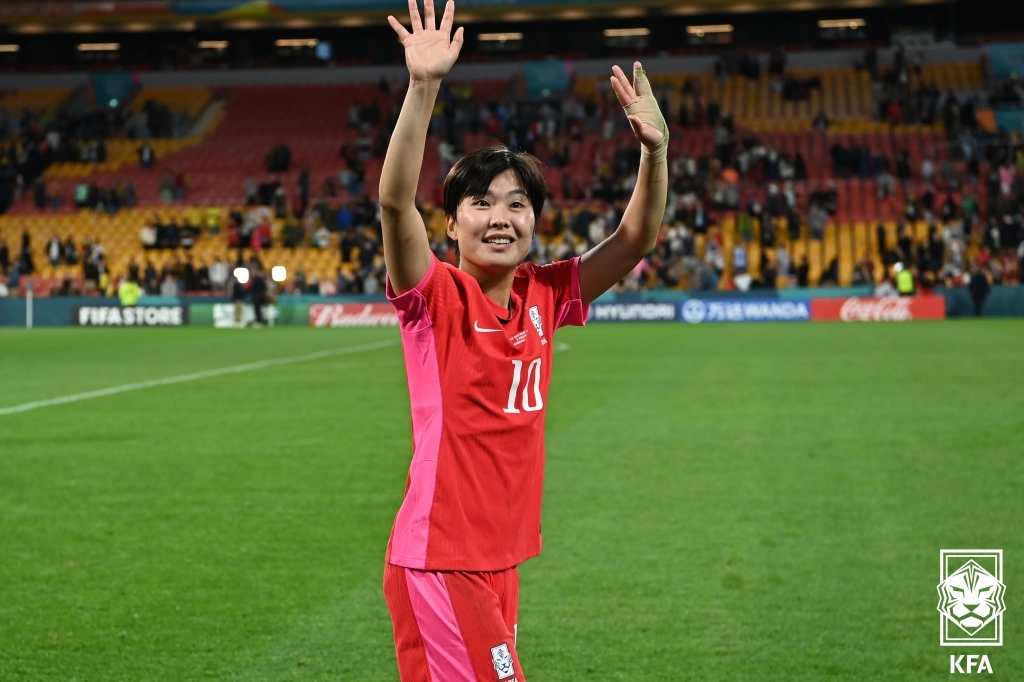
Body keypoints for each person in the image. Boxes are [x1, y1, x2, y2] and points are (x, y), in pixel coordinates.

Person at [378, 2, 668, 680]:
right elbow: (395, 204)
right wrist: (423, 88)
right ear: (452, 224)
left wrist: (655, 154)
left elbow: (635, 241)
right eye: (480, 203)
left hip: (499, 556)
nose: (500, 217)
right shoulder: (435, 296)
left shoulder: (545, 293)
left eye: (517, 204)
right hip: (442, 555)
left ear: (535, 219)